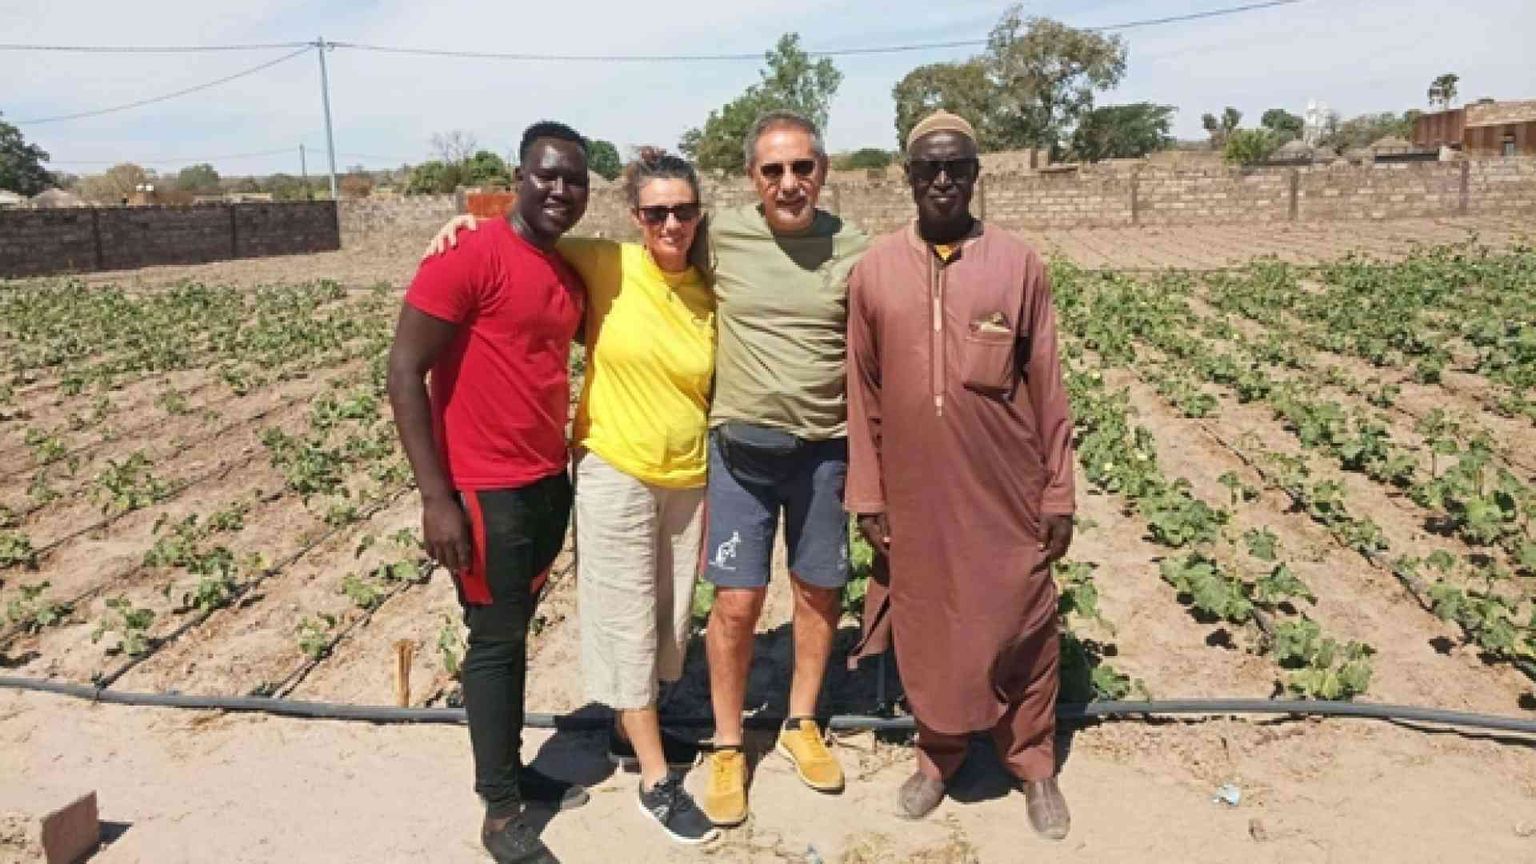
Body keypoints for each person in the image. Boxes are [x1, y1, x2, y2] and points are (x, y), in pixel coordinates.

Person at [423, 149, 720, 845]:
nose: (669, 222)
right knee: (624, 621)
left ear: (697, 213)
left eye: (681, 210)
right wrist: (468, 216)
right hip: (613, 469)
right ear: (634, 216)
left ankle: (624, 733)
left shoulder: (712, 285)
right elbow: (525, 222)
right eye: (655, 212)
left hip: (683, 477)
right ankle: (653, 779)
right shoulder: (607, 262)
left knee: (668, 623)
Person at [844, 110, 1077, 840]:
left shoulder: (1018, 263)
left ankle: (1032, 763)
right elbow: (862, 390)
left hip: (1006, 489)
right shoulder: (876, 270)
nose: (942, 180)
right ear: (907, 177)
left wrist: (1059, 490)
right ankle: (937, 756)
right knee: (928, 622)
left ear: (977, 175)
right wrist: (870, 493)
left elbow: (1047, 382)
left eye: (956, 167)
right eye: (927, 168)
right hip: (916, 492)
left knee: (1025, 622)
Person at [387, 121, 592, 864]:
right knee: (494, 640)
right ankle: (500, 812)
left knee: (513, 632)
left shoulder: (567, 270)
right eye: (546, 175)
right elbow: (404, 373)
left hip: (544, 483)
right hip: (483, 491)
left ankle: (511, 773)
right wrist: (435, 497)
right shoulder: (468, 255)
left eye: (574, 179)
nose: (560, 190)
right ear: (518, 176)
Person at [695, 110, 869, 828]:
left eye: (802, 168)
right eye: (774, 170)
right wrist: (469, 229)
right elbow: (632, 250)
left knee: (819, 592)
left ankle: (800, 723)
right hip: (740, 453)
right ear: (752, 179)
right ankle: (729, 743)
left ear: (822, 171)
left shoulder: (855, 247)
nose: (789, 183)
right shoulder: (720, 236)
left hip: (825, 452)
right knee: (736, 603)